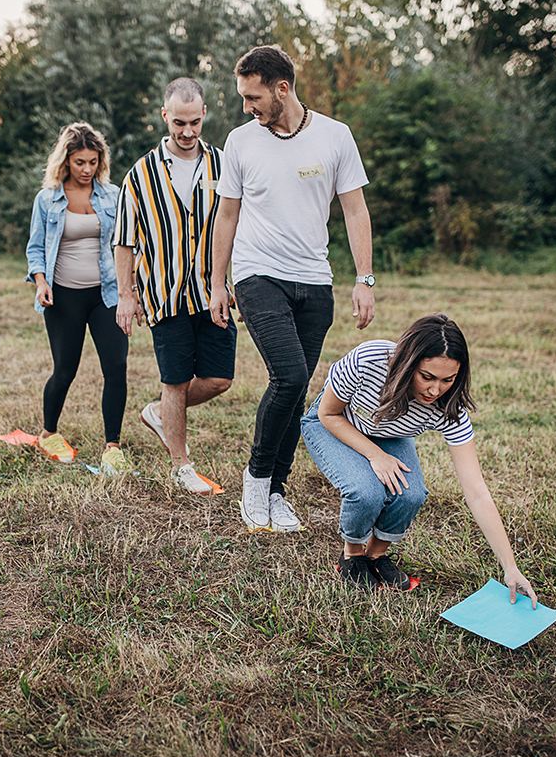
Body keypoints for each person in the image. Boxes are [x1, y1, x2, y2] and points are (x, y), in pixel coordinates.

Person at [209, 45, 377, 531]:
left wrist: (363, 278)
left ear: (283, 88)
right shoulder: (241, 142)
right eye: (243, 97)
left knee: (299, 386)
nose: (247, 107)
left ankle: (277, 492)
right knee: (288, 376)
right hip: (257, 273)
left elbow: (355, 210)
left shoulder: (335, 136)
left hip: (314, 280)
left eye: (253, 96)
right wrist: (218, 283)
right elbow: (227, 214)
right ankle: (257, 480)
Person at [301, 313, 539, 603]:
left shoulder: (449, 409)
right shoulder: (368, 360)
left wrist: (510, 568)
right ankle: (352, 555)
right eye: (427, 377)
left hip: (388, 433)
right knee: (366, 492)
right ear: (408, 362)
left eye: (447, 379)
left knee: (411, 494)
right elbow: (328, 414)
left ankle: (376, 555)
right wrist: (375, 455)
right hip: (335, 423)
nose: (434, 390)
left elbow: (477, 493)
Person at [114, 78, 234, 494]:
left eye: (195, 122)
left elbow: (239, 224)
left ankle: (160, 413)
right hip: (164, 296)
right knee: (176, 381)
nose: (187, 132)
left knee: (220, 378)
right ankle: (181, 464)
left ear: (205, 116)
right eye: (179, 122)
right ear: (165, 115)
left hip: (212, 291)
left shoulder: (224, 166)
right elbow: (125, 239)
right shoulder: (141, 173)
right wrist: (126, 296)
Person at [25, 122, 129, 472]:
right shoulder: (47, 199)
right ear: (66, 160)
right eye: (80, 162)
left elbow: (128, 245)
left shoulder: (112, 196)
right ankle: (48, 432)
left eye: (93, 162)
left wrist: (133, 291)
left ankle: (112, 446)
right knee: (65, 369)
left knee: (116, 367)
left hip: (107, 295)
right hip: (63, 296)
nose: (87, 170)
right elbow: (35, 248)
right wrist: (41, 282)